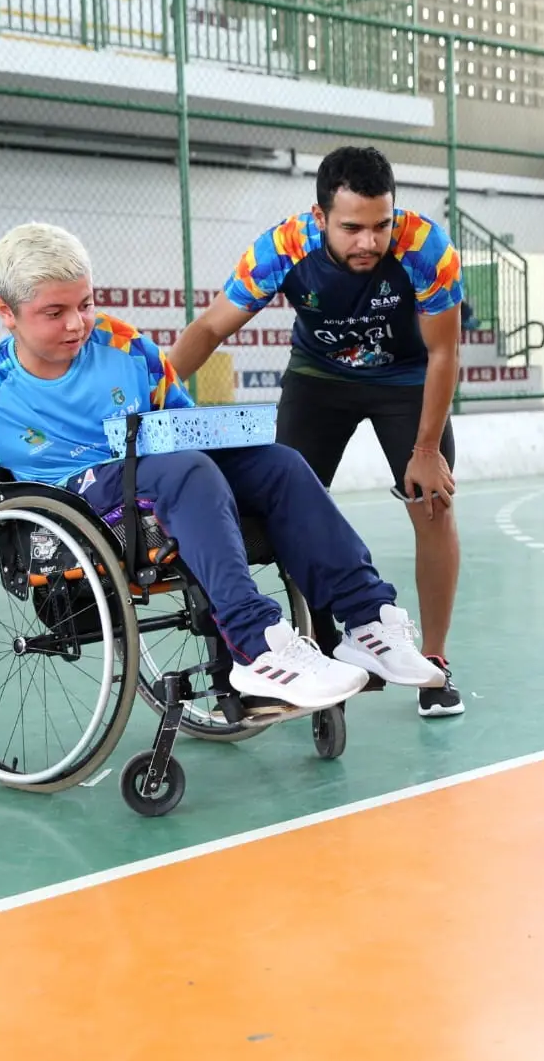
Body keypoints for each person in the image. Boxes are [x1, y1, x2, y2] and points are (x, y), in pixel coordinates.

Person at [0, 221, 446, 714]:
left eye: (85, 304)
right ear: (6, 313)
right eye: (55, 312)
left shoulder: (123, 344)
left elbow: (180, 425)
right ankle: (256, 646)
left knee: (278, 463)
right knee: (185, 472)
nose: (78, 323)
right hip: (80, 505)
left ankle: (366, 621)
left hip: (158, 473)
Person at [167, 145, 466, 718]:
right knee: (284, 505)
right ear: (321, 215)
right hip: (319, 376)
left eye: (381, 225)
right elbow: (210, 327)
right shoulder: (283, 248)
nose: (369, 242)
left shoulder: (426, 249)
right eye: (352, 227)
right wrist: (154, 392)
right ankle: (327, 648)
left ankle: (434, 662)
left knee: (434, 504)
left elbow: (444, 351)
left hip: (405, 378)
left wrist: (426, 449)